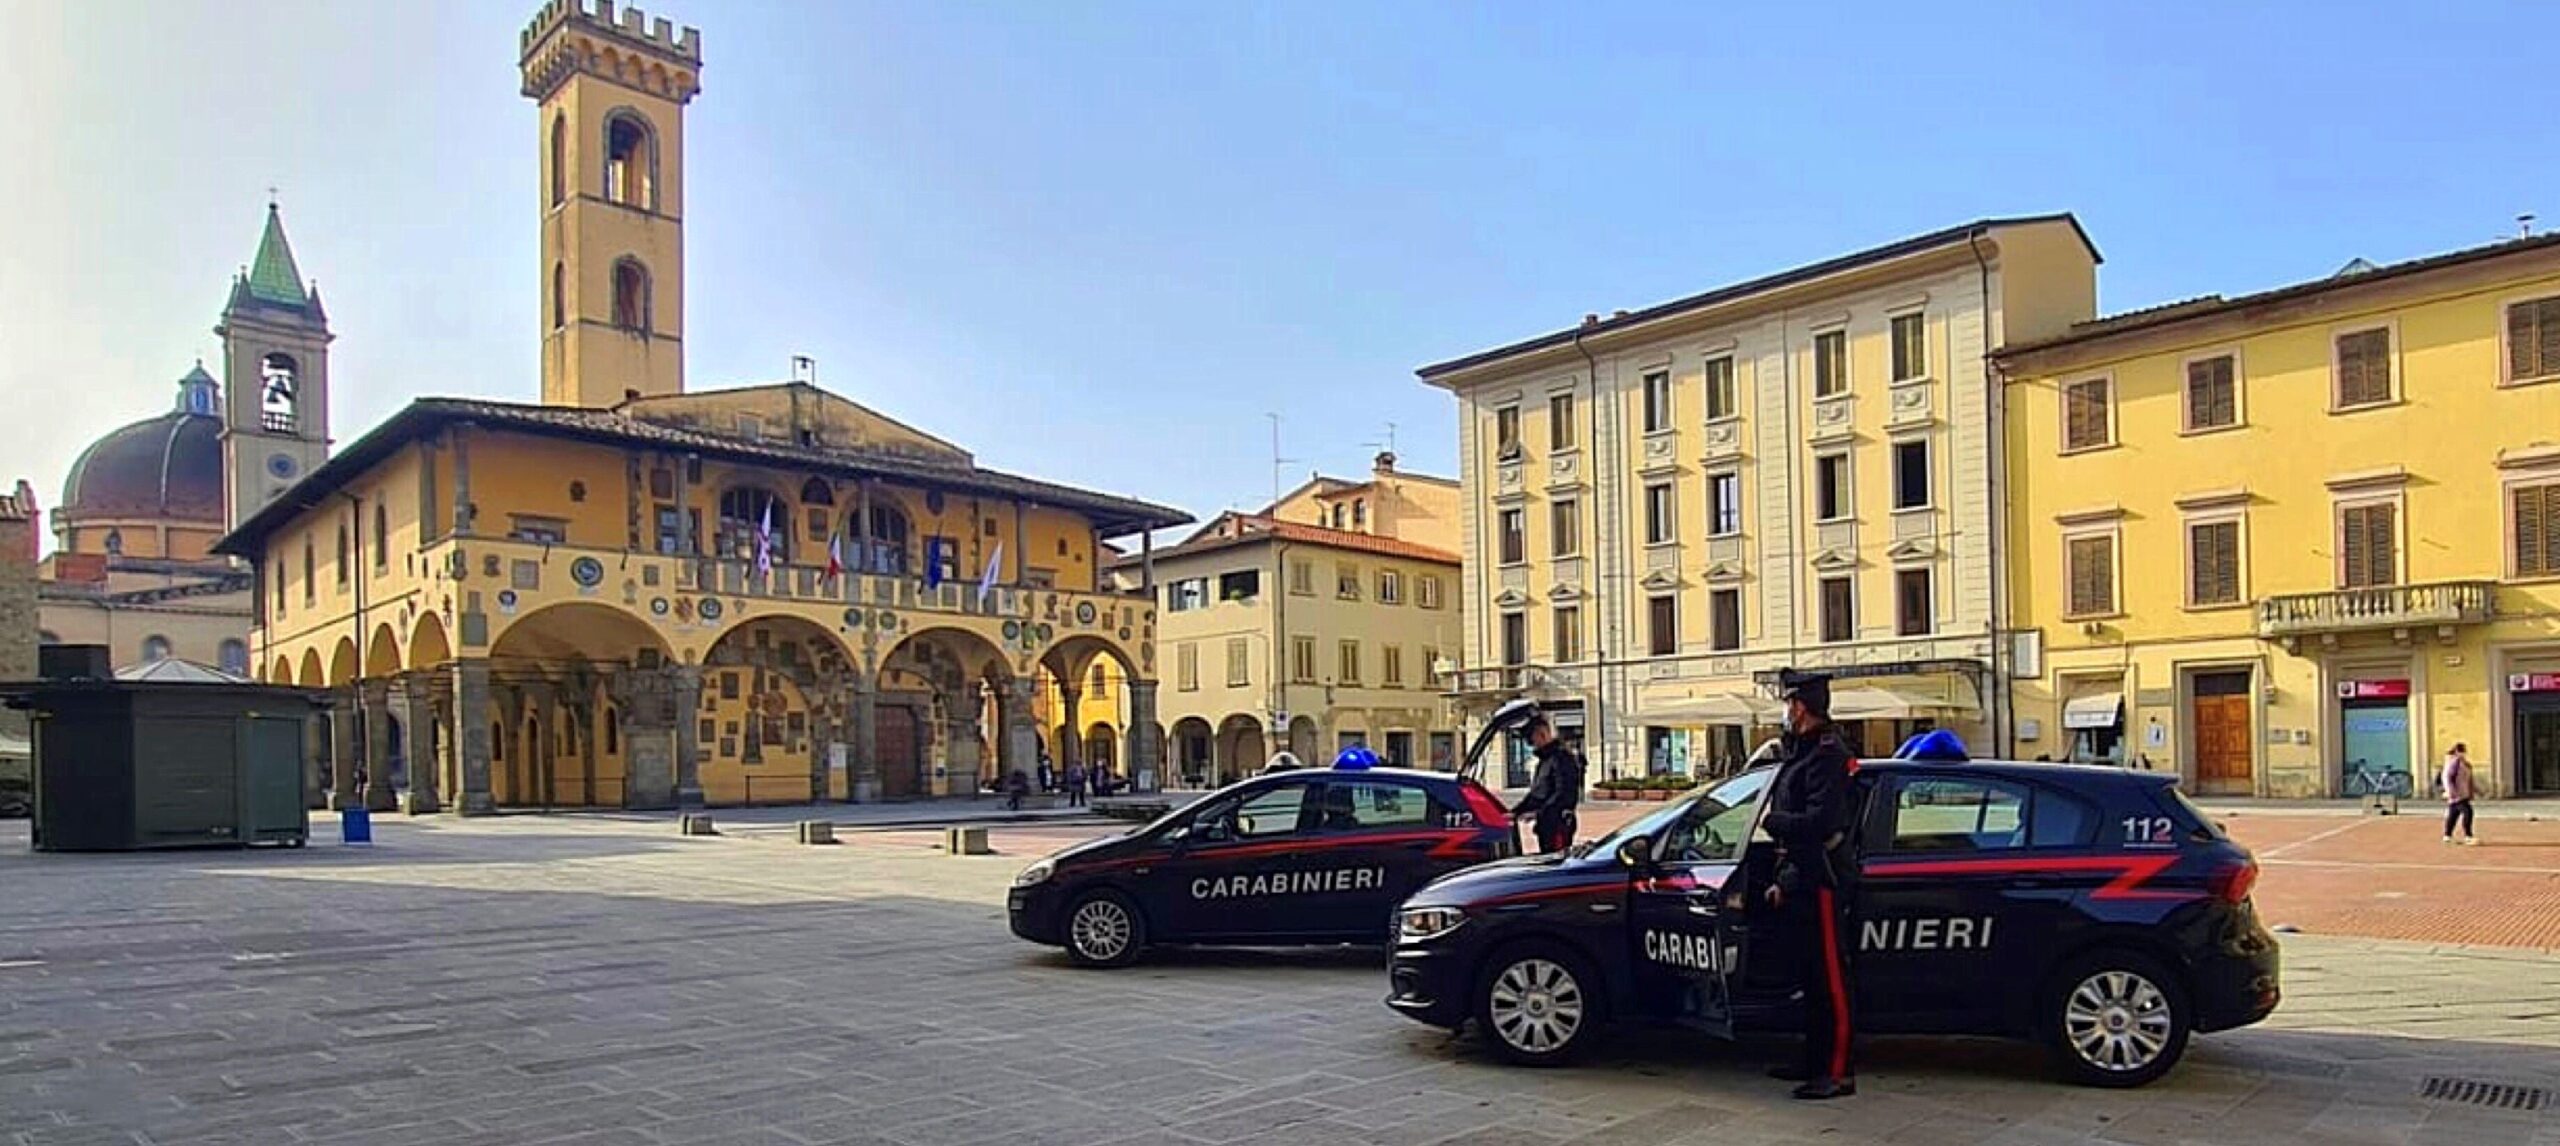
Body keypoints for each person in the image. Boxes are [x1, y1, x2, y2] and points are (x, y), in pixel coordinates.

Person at [1759, 669, 1858, 1101]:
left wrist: (1774, 822)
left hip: (1823, 877)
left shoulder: (1827, 754)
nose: (1786, 711)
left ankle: (1837, 1072)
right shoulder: (1802, 752)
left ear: (1801, 707)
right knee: (1810, 979)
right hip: (1802, 874)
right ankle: (1812, 1058)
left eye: (1789, 703)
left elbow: (1820, 822)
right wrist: (1785, 878)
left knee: (1831, 981)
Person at [1509, 714, 1584, 854]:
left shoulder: (1561, 758)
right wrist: (1515, 812)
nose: (1531, 744)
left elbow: (1564, 795)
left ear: (1543, 734)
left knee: (1556, 861)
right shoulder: (1545, 761)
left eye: (1532, 738)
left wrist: (1538, 813)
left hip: (1558, 824)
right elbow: (1537, 793)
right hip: (1545, 824)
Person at [2441, 742, 2478, 846]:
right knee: (2468, 812)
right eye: (2462, 751)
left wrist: (2473, 790)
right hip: (2457, 793)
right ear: (2457, 751)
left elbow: (2468, 778)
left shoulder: (2463, 762)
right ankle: (2468, 836)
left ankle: (2447, 835)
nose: (2464, 753)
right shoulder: (2454, 762)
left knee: (2453, 814)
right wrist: (2451, 792)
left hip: (2462, 793)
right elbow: (2448, 778)